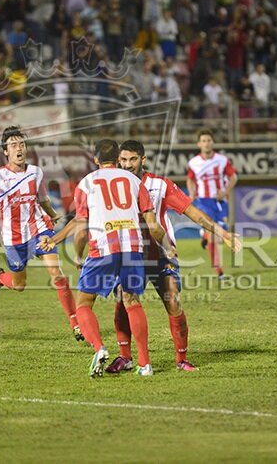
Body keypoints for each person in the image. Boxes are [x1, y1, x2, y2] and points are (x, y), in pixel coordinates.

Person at [105, 140, 242, 374]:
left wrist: (222, 233)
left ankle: (181, 359)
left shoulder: (160, 185)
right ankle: (125, 357)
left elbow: (192, 212)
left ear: (143, 160)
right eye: (123, 160)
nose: (128, 165)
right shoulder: (114, 185)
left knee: (173, 301)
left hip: (161, 253)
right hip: (129, 253)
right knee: (123, 303)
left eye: (133, 159)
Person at [39, 139, 174, 377]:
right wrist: (167, 247)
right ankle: (145, 365)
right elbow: (153, 226)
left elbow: (80, 225)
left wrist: (75, 254)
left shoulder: (86, 183)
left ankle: (99, 348)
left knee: (84, 303)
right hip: (133, 248)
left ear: (95, 159)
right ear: (118, 159)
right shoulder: (135, 181)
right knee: (132, 301)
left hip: (102, 248)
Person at [0, 126, 82, 341]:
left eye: (22, 144)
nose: (19, 148)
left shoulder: (36, 172)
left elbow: (42, 198)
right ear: (5, 152)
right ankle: (0, 279)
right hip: (14, 238)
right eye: (13, 145)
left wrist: (52, 214)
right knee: (19, 285)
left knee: (57, 275)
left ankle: (75, 323)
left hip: (40, 229)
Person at [186, 129, 237, 278]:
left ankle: (205, 236)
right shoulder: (194, 162)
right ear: (199, 144)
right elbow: (190, 179)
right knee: (216, 236)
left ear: (212, 142)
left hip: (220, 201)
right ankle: (219, 272)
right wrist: (191, 192)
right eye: (203, 141)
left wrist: (225, 191)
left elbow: (233, 177)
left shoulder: (222, 160)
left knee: (221, 235)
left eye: (208, 140)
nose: (206, 143)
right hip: (203, 201)